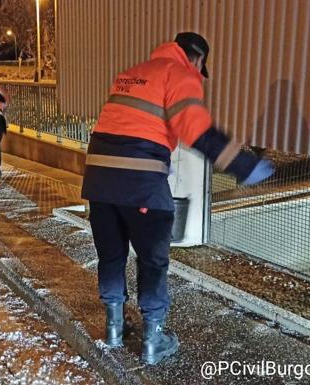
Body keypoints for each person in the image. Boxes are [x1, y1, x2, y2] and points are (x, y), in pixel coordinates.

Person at [82, 32, 274, 365]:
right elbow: (198, 131)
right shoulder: (180, 74)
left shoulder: (132, 73)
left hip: (98, 177)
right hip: (140, 181)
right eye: (201, 69)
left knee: (111, 254)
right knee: (152, 259)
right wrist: (246, 167)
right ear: (197, 59)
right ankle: (153, 341)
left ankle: (114, 328)